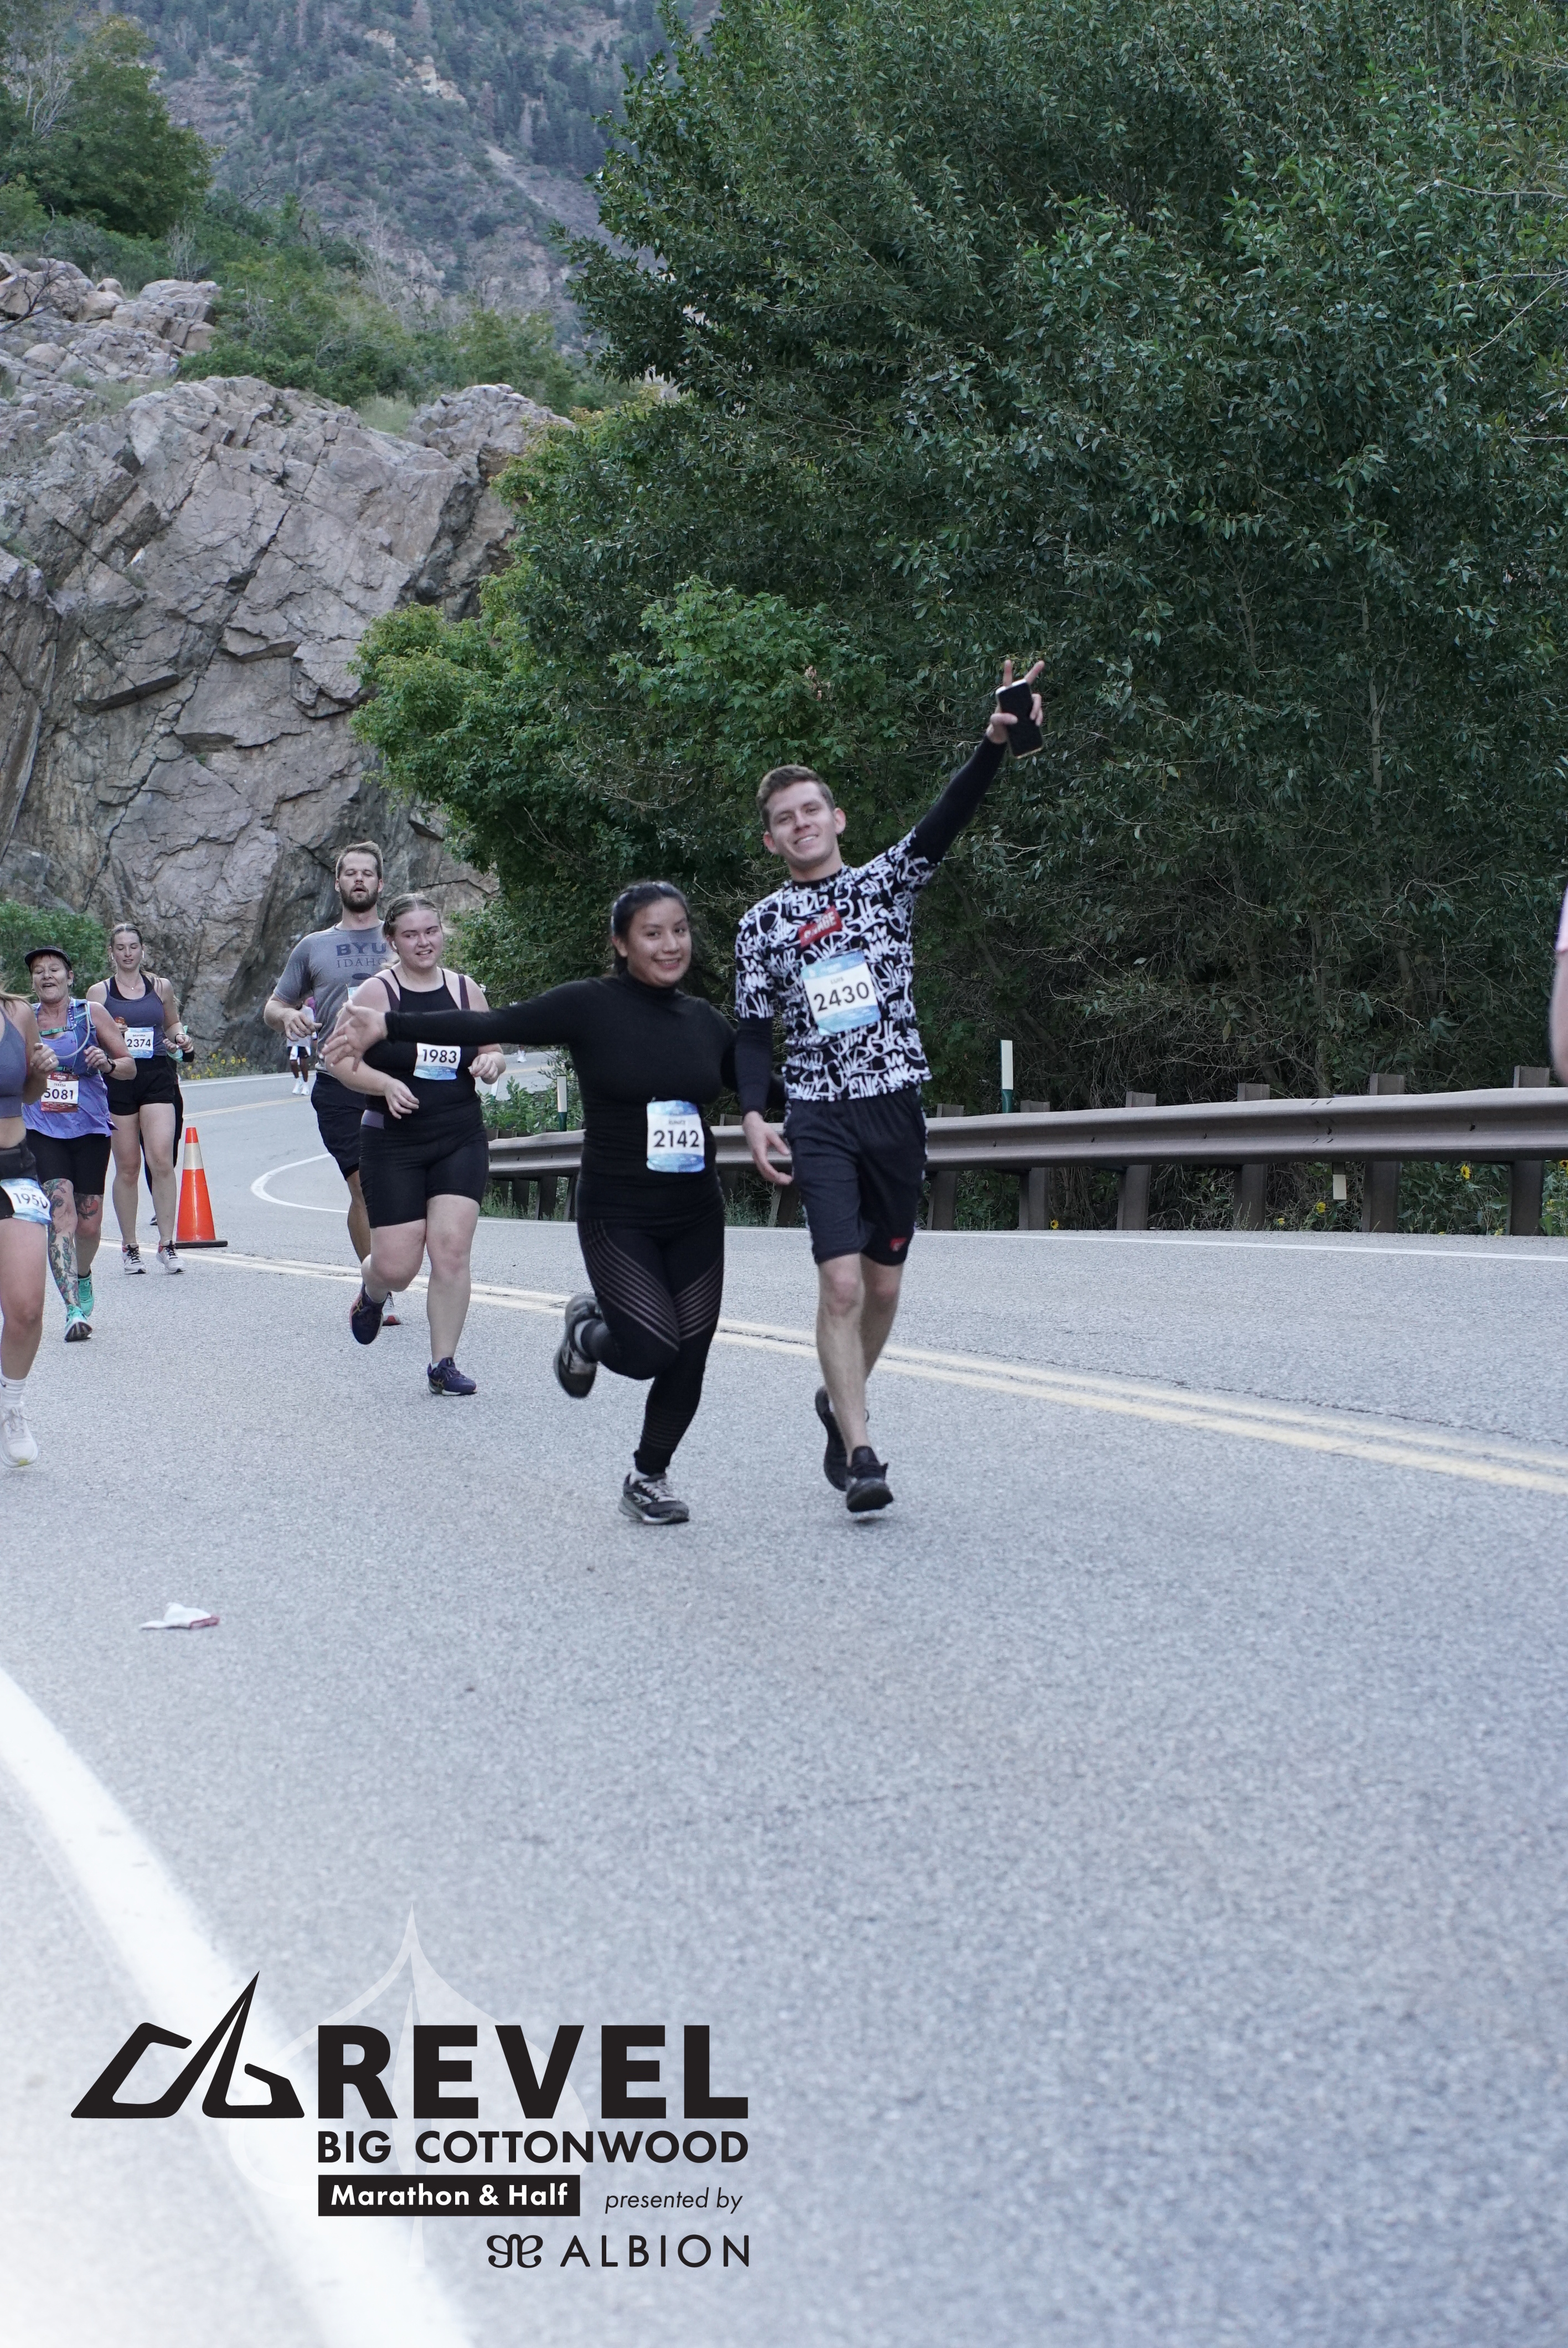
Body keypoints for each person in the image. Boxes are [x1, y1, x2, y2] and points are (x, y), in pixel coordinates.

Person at [329, 882, 777, 1525]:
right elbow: (492, 1026)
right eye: (652, 933)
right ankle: (588, 1330)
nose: (670, 944)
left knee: (692, 1349)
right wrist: (392, 1025)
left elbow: (755, 1079)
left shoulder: (704, 1021)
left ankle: (648, 1476)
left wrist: (828, 1102)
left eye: (679, 930)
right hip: (619, 1210)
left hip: (695, 1211)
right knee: (652, 1349)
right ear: (621, 943)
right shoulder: (590, 1006)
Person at [734, 660, 1045, 1515]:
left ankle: (837, 1399)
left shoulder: (884, 883)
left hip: (895, 1106)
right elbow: (752, 1030)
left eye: (811, 810)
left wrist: (994, 743)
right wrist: (755, 1114)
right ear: (771, 841)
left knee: (883, 1288)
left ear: (836, 819)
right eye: (783, 820)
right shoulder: (761, 925)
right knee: (839, 1286)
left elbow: (949, 816)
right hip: (818, 1115)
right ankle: (861, 1450)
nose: (800, 824)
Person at [323, 893, 505, 1397]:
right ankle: (372, 1291)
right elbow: (338, 1061)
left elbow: (494, 1050)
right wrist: (384, 1084)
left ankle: (443, 1364)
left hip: (460, 1136)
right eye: (411, 934)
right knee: (397, 1268)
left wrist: (491, 1064)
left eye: (431, 931)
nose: (424, 942)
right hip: (394, 1142)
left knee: (451, 1250)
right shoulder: (377, 994)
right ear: (392, 940)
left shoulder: (465, 990)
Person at [264, 844, 394, 1271]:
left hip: (398, 1080)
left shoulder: (401, 940)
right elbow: (274, 1006)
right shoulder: (314, 947)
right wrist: (289, 1017)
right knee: (364, 1187)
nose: (359, 880)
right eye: (350, 873)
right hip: (340, 1084)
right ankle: (377, 1286)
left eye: (367, 873)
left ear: (380, 883)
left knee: (397, 1189)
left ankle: (392, 1267)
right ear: (338, 883)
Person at [24, 946, 132, 1341]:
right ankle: (72, 1310)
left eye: (54, 969)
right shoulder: (25, 1019)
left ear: (69, 977)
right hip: (41, 1128)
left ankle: (83, 1274)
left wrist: (106, 1063)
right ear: (33, 982)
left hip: (89, 1127)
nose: (46, 976)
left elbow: (128, 1066)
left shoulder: (91, 1014)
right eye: (39, 971)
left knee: (88, 1225)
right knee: (61, 1216)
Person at [86, 921, 193, 1274]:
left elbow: (172, 1023)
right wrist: (110, 1035)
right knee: (128, 1167)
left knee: (161, 1159)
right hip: (118, 1079)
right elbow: (88, 1035)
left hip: (157, 1076)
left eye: (133, 946)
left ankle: (167, 1244)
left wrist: (180, 1039)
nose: (128, 953)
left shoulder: (161, 986)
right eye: (121, 947)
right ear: (112, 953)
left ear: (143, 950)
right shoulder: (99, 993)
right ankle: (130, 1246)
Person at [0, 981, 56, 1463]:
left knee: (27, 1309)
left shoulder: (16, 1013)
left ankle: (11, 1407)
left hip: (14, 1166)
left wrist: (40, 1073)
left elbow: (31, 1094)